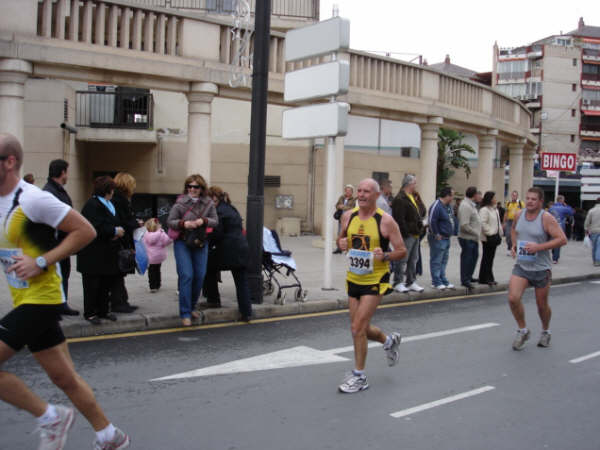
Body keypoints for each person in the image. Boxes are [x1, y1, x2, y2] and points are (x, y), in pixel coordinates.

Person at [0, 134, 130, 450]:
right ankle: (109, 435)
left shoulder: (31, 199)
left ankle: (50, 418)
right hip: (24, 298)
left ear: (9, 162)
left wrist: (41, 260)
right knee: (65, 378)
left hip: (42, 298)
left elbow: (84, 231)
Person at [336, 178, 407, 393]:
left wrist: (384, 255)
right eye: (359, 190)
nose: (361, 194)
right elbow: (341, 241)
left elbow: (402, 250)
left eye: (366, 191)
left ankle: (359, 376)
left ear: (377, 195)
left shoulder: (385, 221)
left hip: (375, 280)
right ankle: (388, 341)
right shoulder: (348, 216)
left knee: (357, 328)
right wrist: (341, 244)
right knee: (361, 328)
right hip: (354, 278)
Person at [508, 186, 567, 350]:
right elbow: (514, 229)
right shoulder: (519, 214)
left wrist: (538, 247)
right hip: (522, 266)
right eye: (528, 198)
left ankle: (546, 331)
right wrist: (513, 244)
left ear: (541, 202)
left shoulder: (546, 218)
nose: (530, 202)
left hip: (541, 268)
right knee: (513, 298)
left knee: (541, 306)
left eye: (534, 199)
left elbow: (562, 239)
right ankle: (523, 330)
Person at [167, 174, 218, 327]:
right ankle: (185, 313)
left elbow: (216, 221)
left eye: (195, 186)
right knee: (186, 275)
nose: (192, 189)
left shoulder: (208, 203)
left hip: (200, 242)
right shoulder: (180, 203)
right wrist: (184, 224)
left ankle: (192, 305)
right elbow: (170, 221)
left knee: (200, 275)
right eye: (189, 186)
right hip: (182, 242)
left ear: (202, 188)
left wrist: (204, 221)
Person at [77, 176, 124, 325]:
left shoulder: (109, 204)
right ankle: (90, 312)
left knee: (105, 283)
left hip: (107, 253)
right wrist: (115, 231)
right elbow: (96, 227)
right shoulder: (92, 205)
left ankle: (103, 310)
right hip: (92, 253)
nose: (114, 191)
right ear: (108, 190)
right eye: (112, 189)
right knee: (92, 285)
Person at [202, 186, 253, 321]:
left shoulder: (218, 212)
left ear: (214, 198)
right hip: (242, 248)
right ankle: (246, 312)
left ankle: (213, 300)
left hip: (228, 250)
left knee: (208, 267)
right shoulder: (231, 208)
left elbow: (217, 234)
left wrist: (206, 241)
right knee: (241, 281)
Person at [42, 159, 79, 316]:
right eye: (67, 172)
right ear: (62, 172)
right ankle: (55, 306)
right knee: (57, 275)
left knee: (63, 273)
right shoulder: (50, 192)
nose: (67, 175)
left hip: (62, 241)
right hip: (55, 242)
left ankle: (61, 304)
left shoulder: (57, 190)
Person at [109, 172, 140, 313]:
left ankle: (122, 301)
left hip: (120, 242)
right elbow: (124, 221)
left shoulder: (117, 199)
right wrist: (136, 223)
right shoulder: (120, 201)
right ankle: (119, 303)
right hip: (120, 243)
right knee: (118, 273)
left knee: (119, 274)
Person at [391, 174, 425, 293]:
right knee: (402, 259)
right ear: (409, 184)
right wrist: (405, 233)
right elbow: (399, 219)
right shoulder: (400, 198)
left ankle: (411, 281)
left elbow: (420, 212)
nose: (416, 185)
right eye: (415, 183)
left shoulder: (411, 197)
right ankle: (398, 282)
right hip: (407, 234)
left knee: (413, 259)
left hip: (415, 233)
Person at [427, 186, 458, 290]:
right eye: (452, 195)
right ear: (447, 196)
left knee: (443, 260)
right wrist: (436, 234)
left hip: (446, 237)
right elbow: (431, 220)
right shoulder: (437, 205)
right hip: (439, 238)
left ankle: (442, 279)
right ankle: (436, 281)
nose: (453, 198)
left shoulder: (448, 206)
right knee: (436, 260)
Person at [457, 186, 482, 289]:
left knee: (473, 257)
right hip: (467, 238)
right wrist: (476, 232)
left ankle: (469, 276)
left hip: (473, 238)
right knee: (467, 259)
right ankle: (465, 279)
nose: (480, 196)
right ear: (474, 195)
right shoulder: (465, 206)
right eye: (478, 194)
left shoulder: (471, 205)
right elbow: (464, 225)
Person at [478, 191, 503, 286]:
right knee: (487, 258)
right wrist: (490, 232)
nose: (495, 199)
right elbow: (482, 223)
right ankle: (486, 278)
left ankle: (486, 277)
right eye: (494, 197)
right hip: (488, 238)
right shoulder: (484, 210)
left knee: (490, 258)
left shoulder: (495, 209)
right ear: (490, 199)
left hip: (495, 237)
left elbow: (498, 222)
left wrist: (500, 232)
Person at [143, 218, 172, 292]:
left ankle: (153, 286)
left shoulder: (146, 234)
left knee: (152, 271)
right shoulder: (161, 233)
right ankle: (158, 284)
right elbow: (167, 242)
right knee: (157, 270)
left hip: (151, 256)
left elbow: (146, 242)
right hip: (159, 256)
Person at [548, 195, 574, 264]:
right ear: (562, 200)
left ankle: (554, 252)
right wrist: (566, 205)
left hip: (551, 227)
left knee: (553, 240)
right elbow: (572, 212)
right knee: (558, 242)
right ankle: (555, 258)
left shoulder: (551, 208)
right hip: (560, 227)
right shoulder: (564, 208)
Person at [333, 185, 356, 254]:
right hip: (341, 218)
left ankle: (348, 249)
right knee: (340, 233)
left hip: (349, 219)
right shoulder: (342, 197)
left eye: (349, 191)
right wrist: (339, 206)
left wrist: (343, 207)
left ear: (352, 192)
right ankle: (339, 248)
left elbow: (352, 208)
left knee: (348, 234)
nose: (347, 192)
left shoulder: (353, 199)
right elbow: (337, 205)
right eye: (346, 190)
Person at [584, 197, 600, 266]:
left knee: (595, 246)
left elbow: (587, 222)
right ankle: (598, 260)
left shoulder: (591, 210)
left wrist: (586, 229)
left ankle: (595, 261)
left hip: (594, 231)